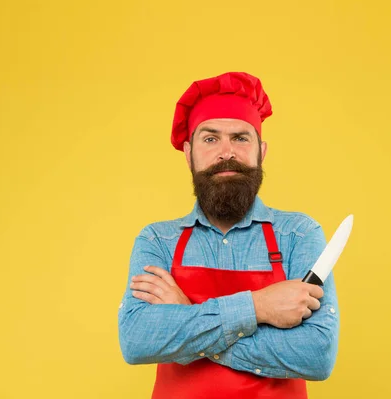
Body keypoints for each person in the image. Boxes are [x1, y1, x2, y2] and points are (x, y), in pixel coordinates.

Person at [118, 72, 339, 399]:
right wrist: (258, 306)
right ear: (188, 152)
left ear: (261, 151)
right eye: (210, 139)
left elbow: (317, 355)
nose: (226, 152)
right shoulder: (158, 241)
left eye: (240, 138)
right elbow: (137, 340)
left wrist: (188, 318)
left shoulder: (298, 234)